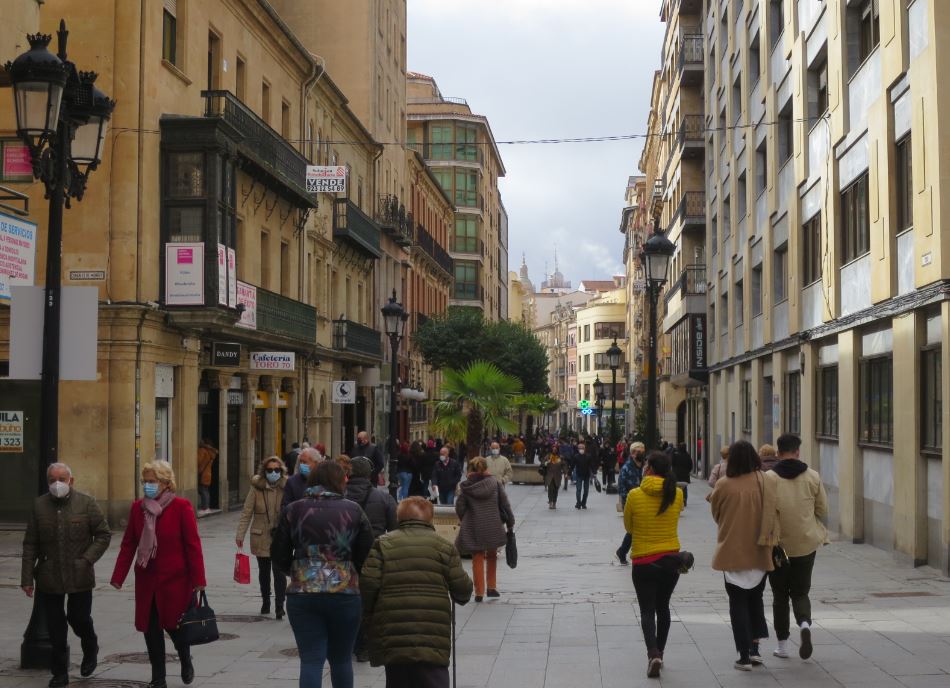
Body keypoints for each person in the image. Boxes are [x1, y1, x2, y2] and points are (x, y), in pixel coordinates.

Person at [271, 461, 374, 688]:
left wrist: (297, 570)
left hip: (303, 592)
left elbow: (278, 553)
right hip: (344, 592)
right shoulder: (354, 510)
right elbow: (367, 551)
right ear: (339, 481)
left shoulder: (293, 509)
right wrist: (348, 569)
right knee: (341, 659)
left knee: (310, 659)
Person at [111, 461, 206, 688]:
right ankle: (158, 678)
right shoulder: (138, 508)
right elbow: (129, 544)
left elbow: (193, 545)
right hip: (147, 579)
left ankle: (185, 658)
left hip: (176, 580)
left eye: (152, 481)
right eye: (145, 481)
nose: (147, 486)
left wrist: (199, 580)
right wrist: (118, 576)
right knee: (151, 630)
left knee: (175, 628)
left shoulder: (182, 506)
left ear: (165, 483)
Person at [360, 497, 474, 687]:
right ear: (430, 519)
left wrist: (371, 613)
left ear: (399, 517)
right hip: (432, 634)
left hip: (393, 629)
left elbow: (368, 582)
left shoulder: (382, 544)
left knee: (398, 679)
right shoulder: (444, 546)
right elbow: (463, 590)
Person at [21, 463, 111, 688]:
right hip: (49, 576)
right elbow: (30, 543)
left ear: (71, 480)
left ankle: (90, 646)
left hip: (79, 575)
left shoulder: (86, 503)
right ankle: (59, 672)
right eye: (52, 479)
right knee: (55, 628)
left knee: (78, 618)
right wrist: (26, 579)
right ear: (47, 481)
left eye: (62, 478)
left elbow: (103, 535)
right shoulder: (39, 505)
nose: (57, 483)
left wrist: (86, 559)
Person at [709, 441, 780, 671]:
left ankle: (743, 656)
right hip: (761, 548)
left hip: (732, 550)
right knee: (755, 599)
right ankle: (755, 649)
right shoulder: (766, 481)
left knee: (737, 602)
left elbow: (716, 514)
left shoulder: (723, 484)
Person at [623, 452, 685, 678]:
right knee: (664, 607)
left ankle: (653, 653)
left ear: (648, 469)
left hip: (643, 561)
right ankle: (661, 651)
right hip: (671, 560)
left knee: (647, 610)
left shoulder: (634, 494)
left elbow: (629, 527)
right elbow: (678, 515)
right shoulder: (676, 494)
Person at [767, 434, 828, 660]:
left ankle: (782, 645)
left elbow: (764, 513)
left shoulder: (769, 478)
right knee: (801, 592)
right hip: (806, 543)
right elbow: (822, 510)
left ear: (778, 451)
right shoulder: (812, 476)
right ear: (798, 452)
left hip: (778, 548)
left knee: (779, 595)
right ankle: (804, 624)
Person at [455, 457, 515, 603]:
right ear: (486, 468)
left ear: (471, 469)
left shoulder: (467, 486)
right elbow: (505, 504)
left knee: (477, 556)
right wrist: (510, 522)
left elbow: (460, 507)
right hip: (493, 523)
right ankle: (492, 587)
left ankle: (479, 591)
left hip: (474, 524)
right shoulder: (494, 483)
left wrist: (466, 518)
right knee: (492, 555)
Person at [236, 456, 288, 620]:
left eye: (277, 470)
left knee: (279, 572)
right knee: (264, 572)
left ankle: (280, 606)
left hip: (279, 535)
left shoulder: (286, 487)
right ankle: (266, 601)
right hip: (261, 535)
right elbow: (246, 513)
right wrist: (240, 534)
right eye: (270, 470)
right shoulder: (256, 488)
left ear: (281, 471)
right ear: (264, 471)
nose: (273, 473)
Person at [345, 457, 397, 540]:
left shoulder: (336, 496)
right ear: (369, 474)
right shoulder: (386, 498)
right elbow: (394, 531)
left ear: (348, 474)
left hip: (344, 549)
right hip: (374, 547)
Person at [615, 442, 645, 564]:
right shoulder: (626, 468)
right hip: (631, 502)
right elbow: (622, 487)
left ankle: (624, 551)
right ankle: (623, 551)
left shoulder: (644, 467)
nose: (641, 454)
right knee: (634, 529)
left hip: (643, 501)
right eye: (639, 452)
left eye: (642, 452)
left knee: (636, 528)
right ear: (633, 454)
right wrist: (627, 503)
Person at [196, 439, 218, 514]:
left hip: (203, 474)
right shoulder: (210, 452)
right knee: (205, 490)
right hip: (207, 473)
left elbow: (198, 461)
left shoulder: (202, 451)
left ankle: (205, 508)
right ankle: (206, 507)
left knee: (203, 490)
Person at [573, 442, 594, 509]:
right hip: (579, 475)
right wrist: (568, 473)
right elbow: (573, 465)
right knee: (578, 490)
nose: (581, 449)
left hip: (586, 475)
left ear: (585, 449)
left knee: (586, 491)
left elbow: (591, 465)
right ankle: (578, 503)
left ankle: (583, 503)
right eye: (580, 448)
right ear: (578, 449)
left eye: (582, 448)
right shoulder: (576, 457)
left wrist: (594, 472)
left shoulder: (589, 456)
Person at [671, 443, 693, 507]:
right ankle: (684, 500)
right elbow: (690, 465)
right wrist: (687, 471)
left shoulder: (675, 455)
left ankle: (677, 500)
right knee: (684, 488)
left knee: (676, 487)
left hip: (676, 474)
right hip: (685, 475)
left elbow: (672, 463)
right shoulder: (687, 455)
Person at [541, 445, 563, 509]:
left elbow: (564, 465)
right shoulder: (548, 456)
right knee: (550, 489)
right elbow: (542, 463)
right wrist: (546, 463)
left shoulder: (560, 457)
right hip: (549, 476)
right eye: (553, 449)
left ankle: (554, 503)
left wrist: (566, 473)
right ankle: (550, 502)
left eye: (555, 449)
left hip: (557, 476)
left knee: (556, 490)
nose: (554, 450)